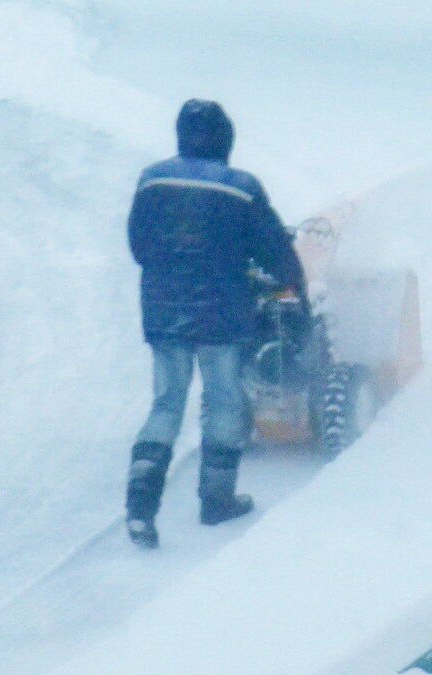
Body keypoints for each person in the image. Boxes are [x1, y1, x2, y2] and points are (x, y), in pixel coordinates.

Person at [124, 99, 306, 548]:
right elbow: (274, 249)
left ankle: (140, 511)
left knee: (166, 403)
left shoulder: (152, 179)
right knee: (223, 400)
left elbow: (139, 246)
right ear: (226, 140)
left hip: (164, 308)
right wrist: (291, 286)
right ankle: (216, 500)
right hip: (220, 313)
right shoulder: (240, 187)